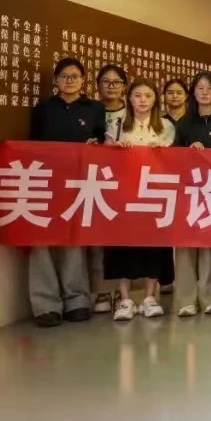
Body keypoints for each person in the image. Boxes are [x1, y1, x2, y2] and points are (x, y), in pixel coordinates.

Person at [27, 58, 105, 327]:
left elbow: (103, 140)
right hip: (45, 181)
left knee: (73, 237)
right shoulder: (43, 109)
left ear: (83, 80)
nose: (69, 81)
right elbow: (32, 143)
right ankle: (45, 304)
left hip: (80, 182)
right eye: (64, 76)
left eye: (75, 76)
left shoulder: (95, 108)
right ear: (56, 80)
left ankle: (76, 300)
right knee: (41, 237)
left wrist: (96, 144)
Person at [104, 78, 175, 321]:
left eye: (148, 96)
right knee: (122, 244)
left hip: (153, 193)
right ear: (129, 98)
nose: (142, 100)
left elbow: (174, 158)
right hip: (124, 193)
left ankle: (149, 297)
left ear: (155, 99)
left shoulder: (166, 125)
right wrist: (115, 148)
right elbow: (104, 155)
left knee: (152, 245)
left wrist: (160, 152)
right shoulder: (117, 123)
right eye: (137, 95)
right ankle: (125, 299)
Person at [172, 71, 211, 317]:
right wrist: (188, 151)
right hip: (189, 190)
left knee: (210, 245)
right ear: (193, 93)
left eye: (209, 88)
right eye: (200, 88)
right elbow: (173, 156)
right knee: (185, 245)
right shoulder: (184, 123)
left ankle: (210, 296)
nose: (205, 92)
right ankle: (186, 299)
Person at [91, 63, 128, 314]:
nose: (111, 86)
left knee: (121, 238)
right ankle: (102, 289)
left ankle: (122, 291)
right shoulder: (91, 111)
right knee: (97, 238)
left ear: (124, 86)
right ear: (98, 86)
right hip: (96, 180)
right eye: (106, 81)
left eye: (116, 82)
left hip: (126, 181)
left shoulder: (132, 112)